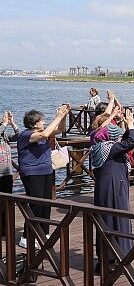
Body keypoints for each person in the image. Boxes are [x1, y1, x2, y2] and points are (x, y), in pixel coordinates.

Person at [16, 104, 70, 248]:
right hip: (32, 173)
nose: (44, 122)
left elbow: (60, 129)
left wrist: (63, 116)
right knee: (36, 204)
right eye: (41, 120)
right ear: (33, 123)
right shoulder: (26, 135)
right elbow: (45, 134)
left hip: (46, 171)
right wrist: (57, 116)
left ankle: (44, 232)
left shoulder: (43, 132)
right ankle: (27, 237)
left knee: (46, 204)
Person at [89, 110, 134, 268]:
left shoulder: (98, 145)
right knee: (118, 218)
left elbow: (122, 138)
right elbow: (131, 141)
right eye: (116, 136)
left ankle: (105, 256)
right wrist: (130, 124)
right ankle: (118, 256)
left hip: (104, 187)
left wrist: (121, 122)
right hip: (114, 186)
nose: (119, 138)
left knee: (106, 219)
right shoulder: (110, 148)